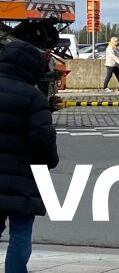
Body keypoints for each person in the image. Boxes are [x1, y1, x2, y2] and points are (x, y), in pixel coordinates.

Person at [0, 41, 61, 273]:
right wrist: (51, 160)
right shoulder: (33, 97)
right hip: (22, 178)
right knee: (20, 232)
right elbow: (42, 139)